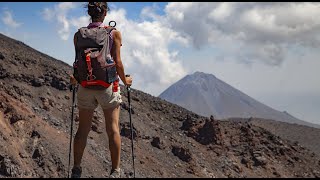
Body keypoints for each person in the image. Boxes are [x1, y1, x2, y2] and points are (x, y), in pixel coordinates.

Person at [69, 2, 132, 178]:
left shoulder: (78, 35)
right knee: (112, 129)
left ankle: (76, 169)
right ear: (105, 13)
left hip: (85, 86)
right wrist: (125, 80)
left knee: (82, 130)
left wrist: (77, 77)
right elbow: (117, 62)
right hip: (107, 87)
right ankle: (115, 171)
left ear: (89, 13)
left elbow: (78, 60)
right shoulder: (113, 33)